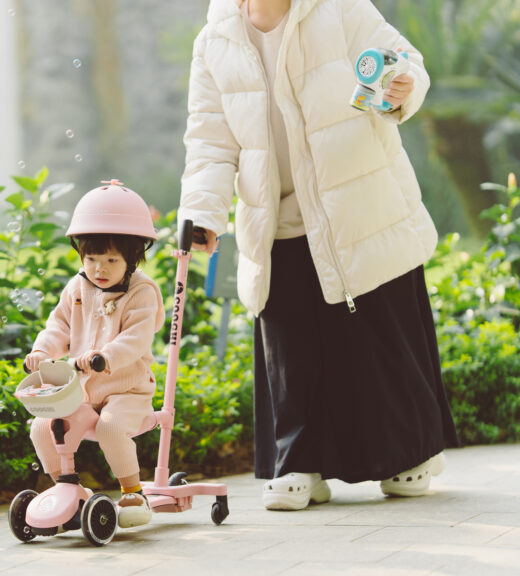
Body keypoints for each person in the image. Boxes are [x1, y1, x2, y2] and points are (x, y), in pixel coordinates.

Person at [177, 0, 459, 510]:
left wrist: (402, 87)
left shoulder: (340, 8)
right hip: (278, 221)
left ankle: (409, 453)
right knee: (291, 348)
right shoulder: (214, 41)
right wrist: (202, 211)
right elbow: (209, 142)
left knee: (381, 335)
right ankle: (298, 461)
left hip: (360, 207)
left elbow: (403, 61)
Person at [24, 179, 164, 527]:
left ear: (133, 257)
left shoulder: (142, 292)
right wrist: (42, 350)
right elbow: (59, 326)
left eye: (111, 259)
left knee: (110, 428)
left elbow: (136, 338)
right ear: (81, 256)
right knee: (42, 426)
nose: (100, 268)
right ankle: (66, 488)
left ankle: (133, 493)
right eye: (91, 259)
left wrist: (105, 356)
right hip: (83, 391)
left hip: (128, 390)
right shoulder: (77, 287)